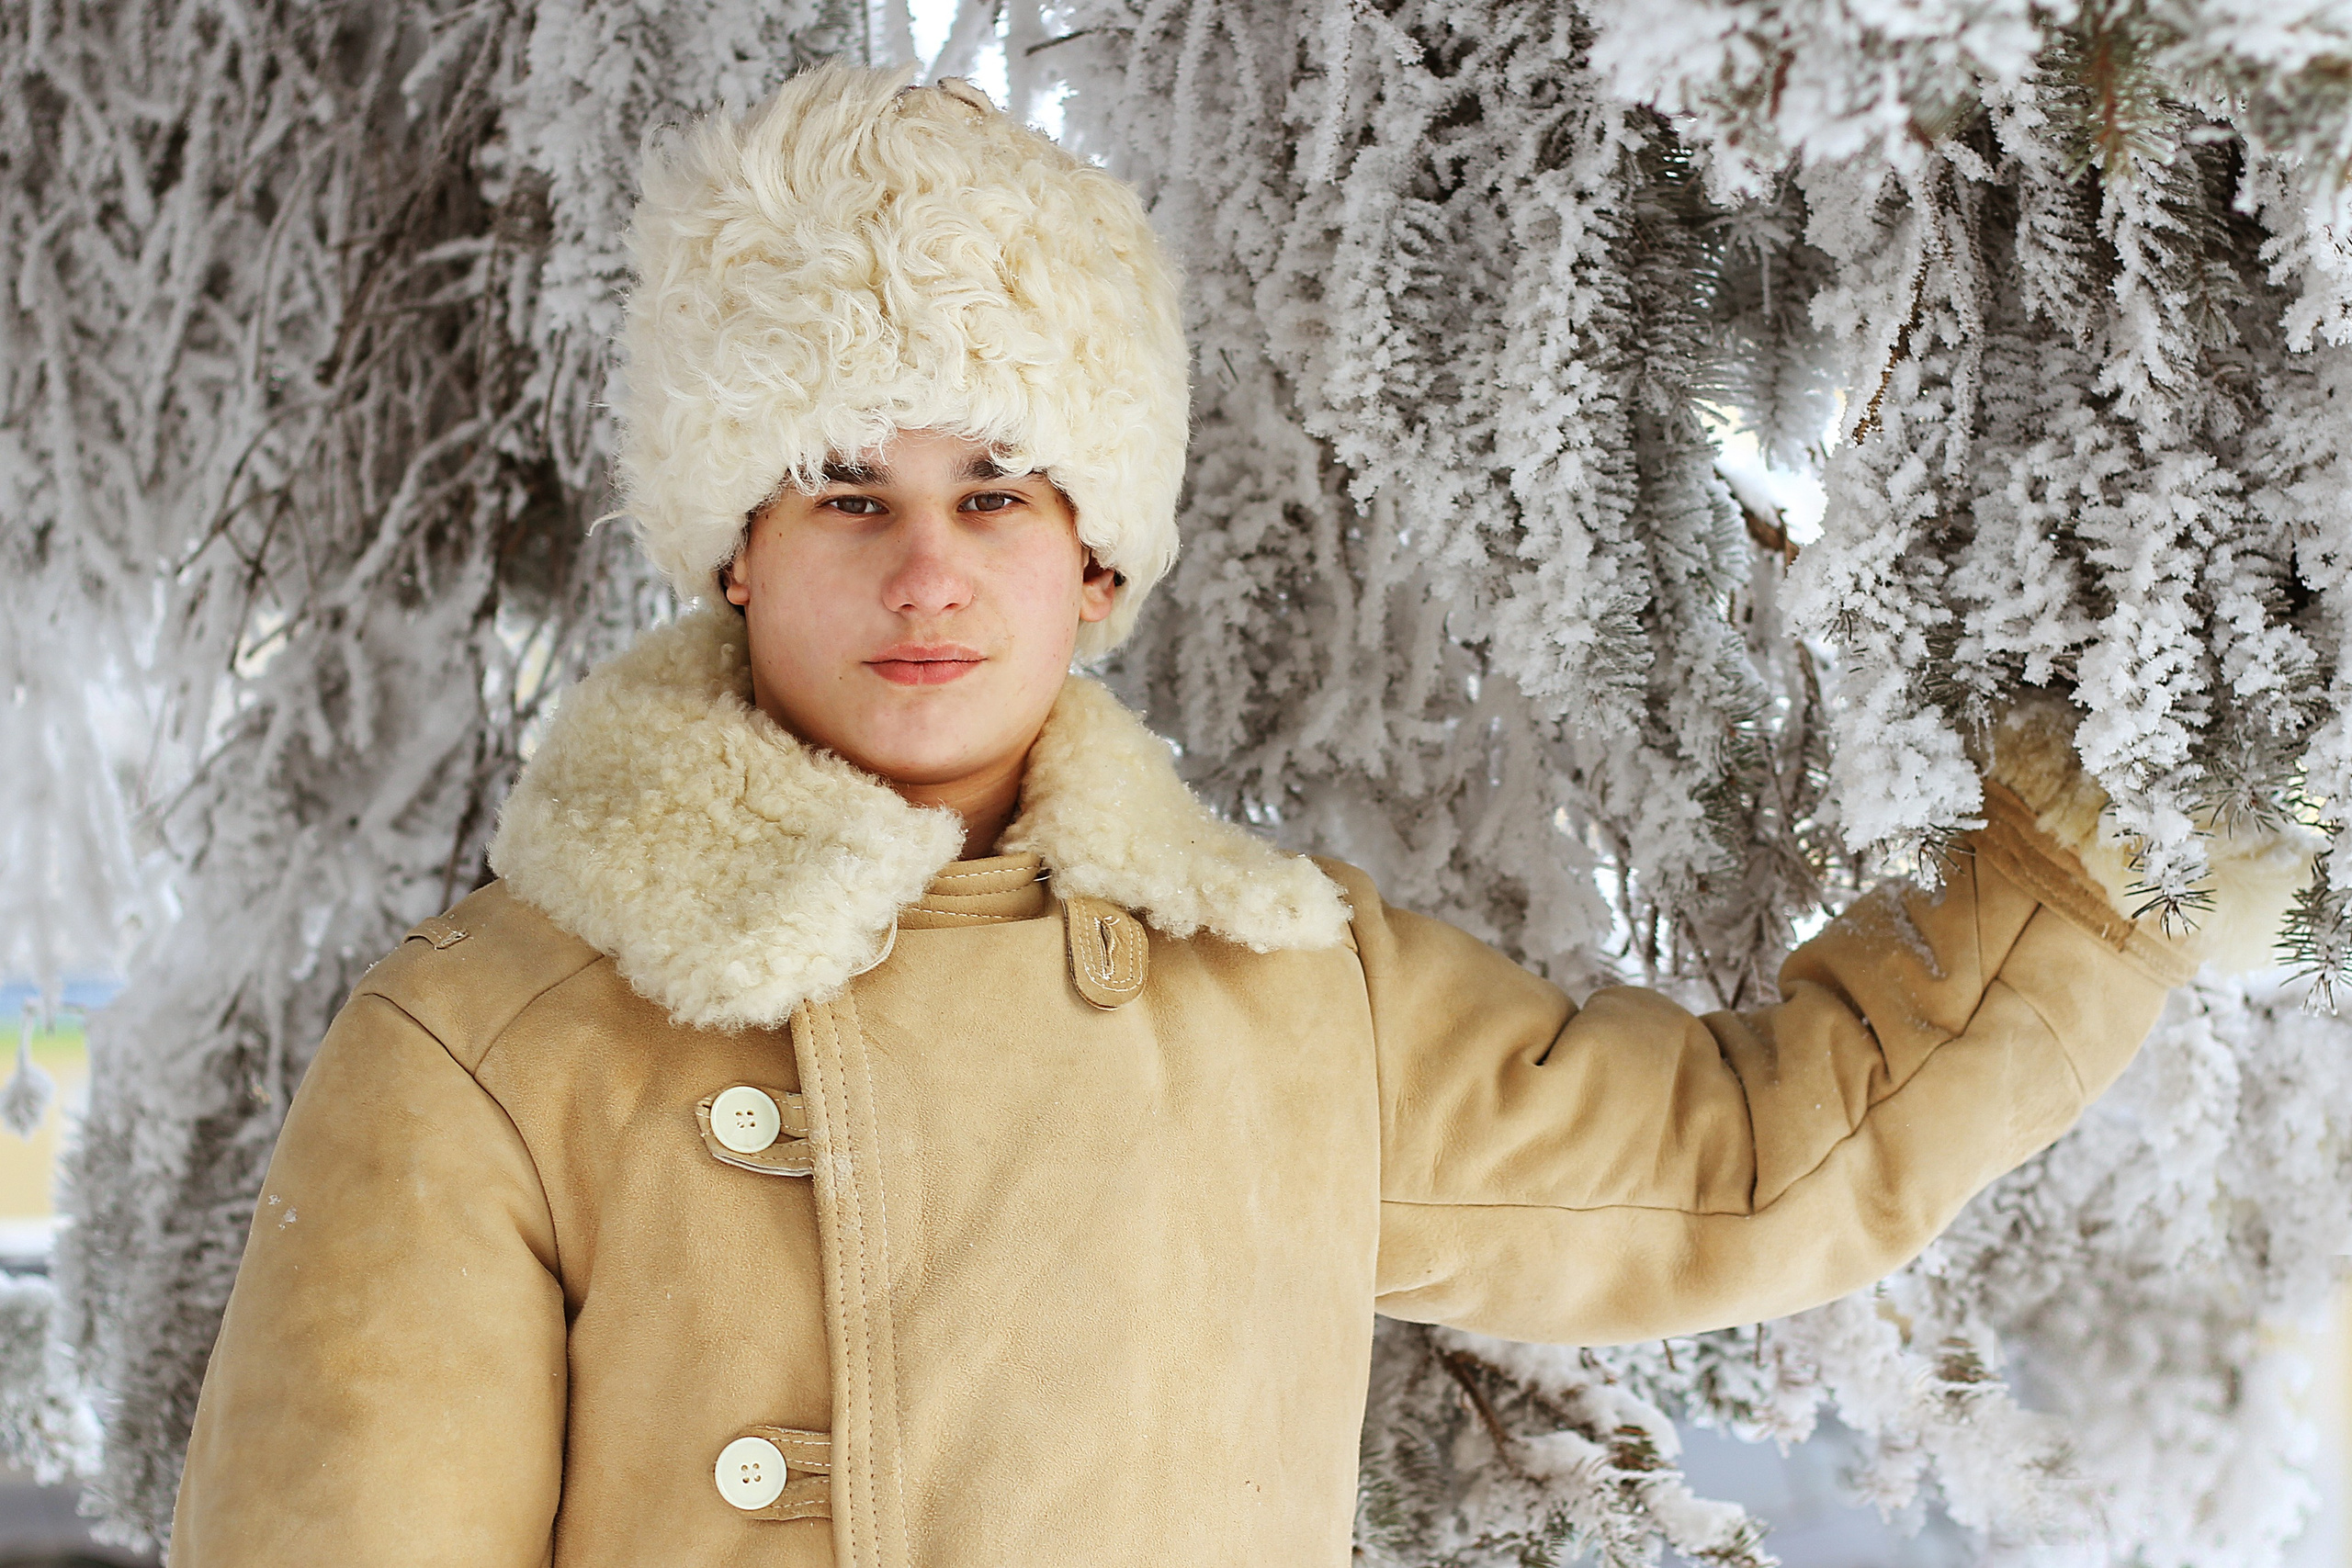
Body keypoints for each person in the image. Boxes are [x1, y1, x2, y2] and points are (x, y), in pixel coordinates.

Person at [166, 61, 2312, 1568]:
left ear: (1093, 557)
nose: (926, 573)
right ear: (733, 546)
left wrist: (2095, 857)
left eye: (995, 491)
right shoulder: (491, 1042)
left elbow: (1751, 1165)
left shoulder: (1276, 996)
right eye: (842, 493)